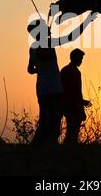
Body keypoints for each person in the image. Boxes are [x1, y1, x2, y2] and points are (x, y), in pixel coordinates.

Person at [27, 13, 95, 145]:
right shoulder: (47, 43)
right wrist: (87, 21)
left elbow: (30, 69)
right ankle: (48, 147)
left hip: (41, 89)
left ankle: (40, 145)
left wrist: (40, 69)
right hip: (54, 89)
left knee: (45, 119)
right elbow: (71, 37)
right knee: (54, 121)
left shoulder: (32, 48)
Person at [60, 48, 91, 145]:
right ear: (73, 58)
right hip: (71, 104)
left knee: (73, 129)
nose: (81, 61)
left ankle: (70, 147)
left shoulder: (70, 70)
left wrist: (82, 102)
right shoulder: (70, 71)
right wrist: (81, 102)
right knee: (72, 129)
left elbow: (76, 91)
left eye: (81, 59)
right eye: (80, 58)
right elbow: (72, 91)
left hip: (73, 103)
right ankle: (70, 148)